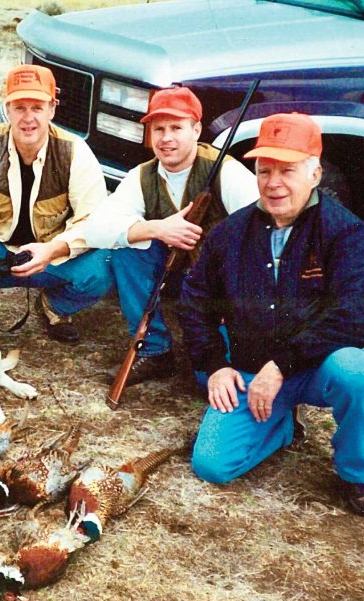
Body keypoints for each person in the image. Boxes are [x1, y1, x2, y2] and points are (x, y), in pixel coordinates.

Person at [180, 113, 364, 517]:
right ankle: (282, 426)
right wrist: (215, 364)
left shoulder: (346, 232)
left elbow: (357, 316)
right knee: (211, 466)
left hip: (314, 369)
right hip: (250, 370)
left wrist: (281, 366)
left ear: (315, 173)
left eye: (287, 170)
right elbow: (195, 300)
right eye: (265, 170)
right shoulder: (229, 233)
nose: (273, 182)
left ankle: (355, 472)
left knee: (356, 372)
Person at [84, 86, 258, 386]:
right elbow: (95, 229)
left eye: (176, 128)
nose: (166, 138)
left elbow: (264, 232)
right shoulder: (142, 175)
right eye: (159, 129)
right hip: (176, 276)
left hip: (220, 286)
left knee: (211, 381)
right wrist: (158, 229)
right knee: (126, 248)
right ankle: (154, 350)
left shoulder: (226, 172)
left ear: (196, 130)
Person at [0, 64, 112, 343]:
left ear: (52, 109)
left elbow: (94, 220)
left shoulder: (75, 151)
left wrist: (53, 249)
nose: (28, 118)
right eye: (20, 107)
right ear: (7, 109)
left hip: (50, 257)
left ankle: (54, 306)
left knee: (102, 268)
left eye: (37, 107)